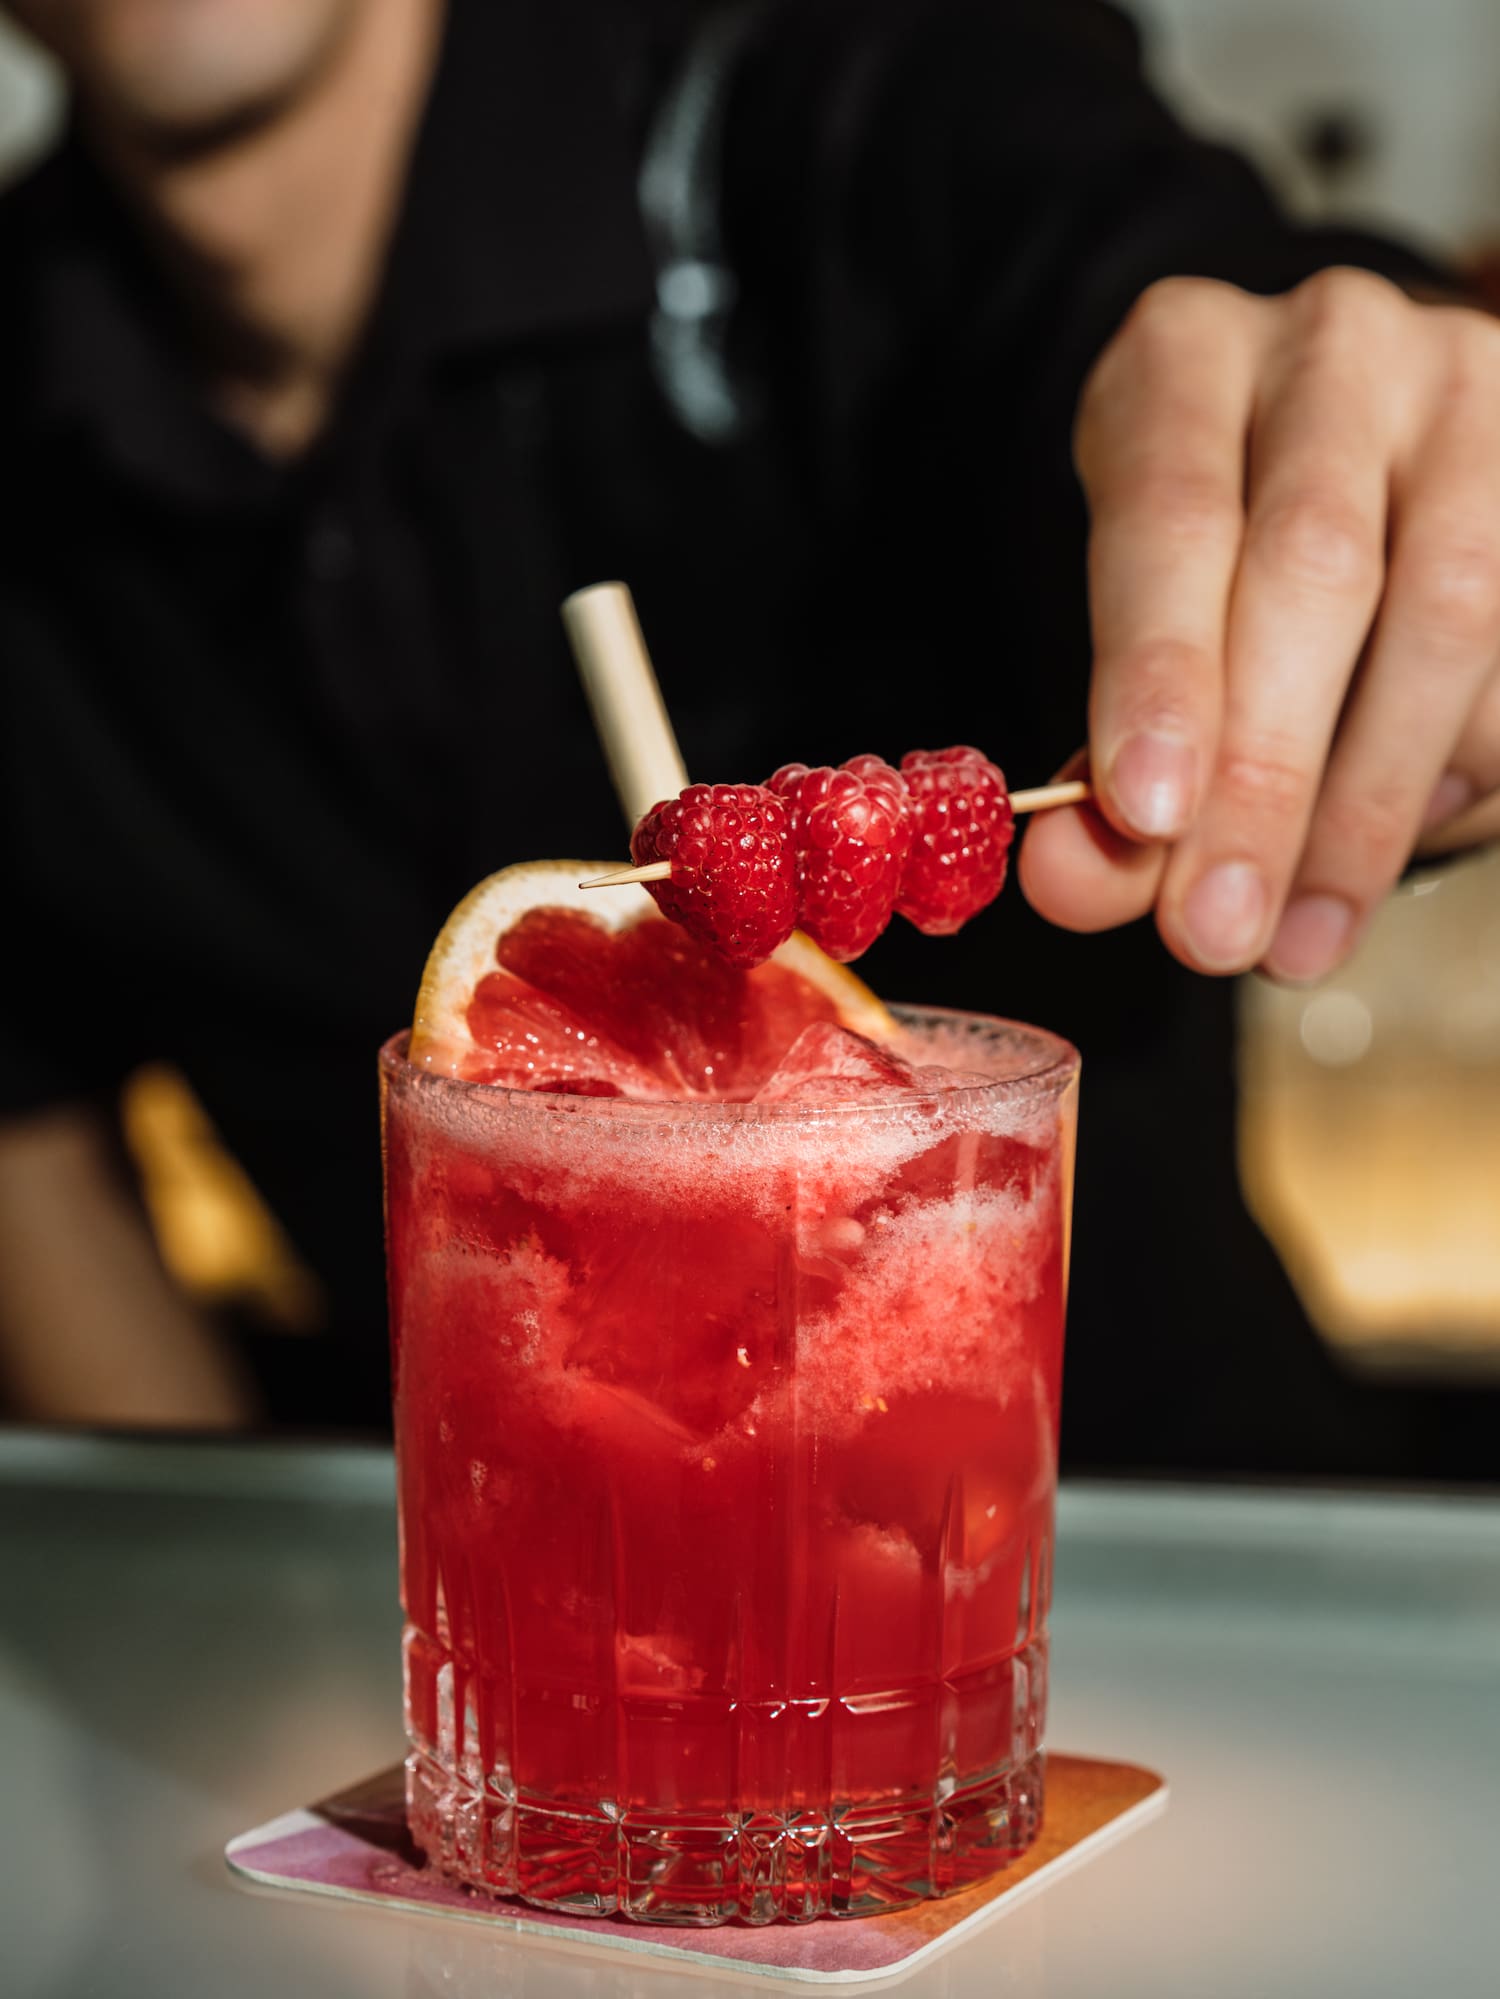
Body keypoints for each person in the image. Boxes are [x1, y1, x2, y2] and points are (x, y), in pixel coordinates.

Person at [1, 0, 1496, 1468]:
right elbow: (44, 1203)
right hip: (547, 1609)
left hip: (1183, 1554)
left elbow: (1161, 285)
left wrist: (1375, 450)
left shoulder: (838, 104)